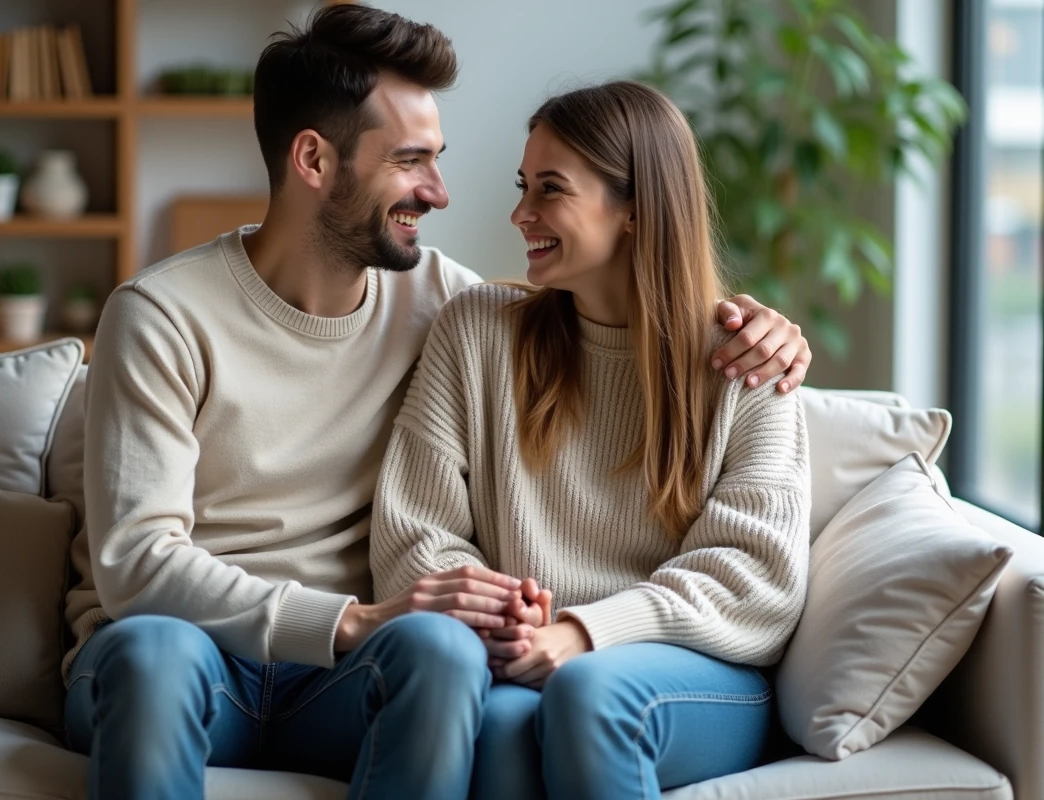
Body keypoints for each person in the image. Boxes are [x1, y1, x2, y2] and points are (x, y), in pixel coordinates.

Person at [60, 6, 814, 800]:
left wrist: (762, 328)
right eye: (411, 161)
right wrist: (351, 621)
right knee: (154, 656)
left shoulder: (444, 301)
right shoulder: (162, 316)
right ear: (314, 159)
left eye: (440, 159)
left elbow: (609, 314)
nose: (444, 194)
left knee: (443, 653)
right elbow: (136, 564)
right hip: (188, 655)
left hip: (341, 678)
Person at [370, 79, 812, 800]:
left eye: (550, 190)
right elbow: (415, 532)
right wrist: (503, 614)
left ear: (635, 209)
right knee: (500, 732)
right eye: (524, 186)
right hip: (521, 657)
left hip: (692, 670)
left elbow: (755, 581)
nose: (520, 213)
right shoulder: (477, 331)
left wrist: (583, 632)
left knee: (590, 697)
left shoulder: (744, 361)